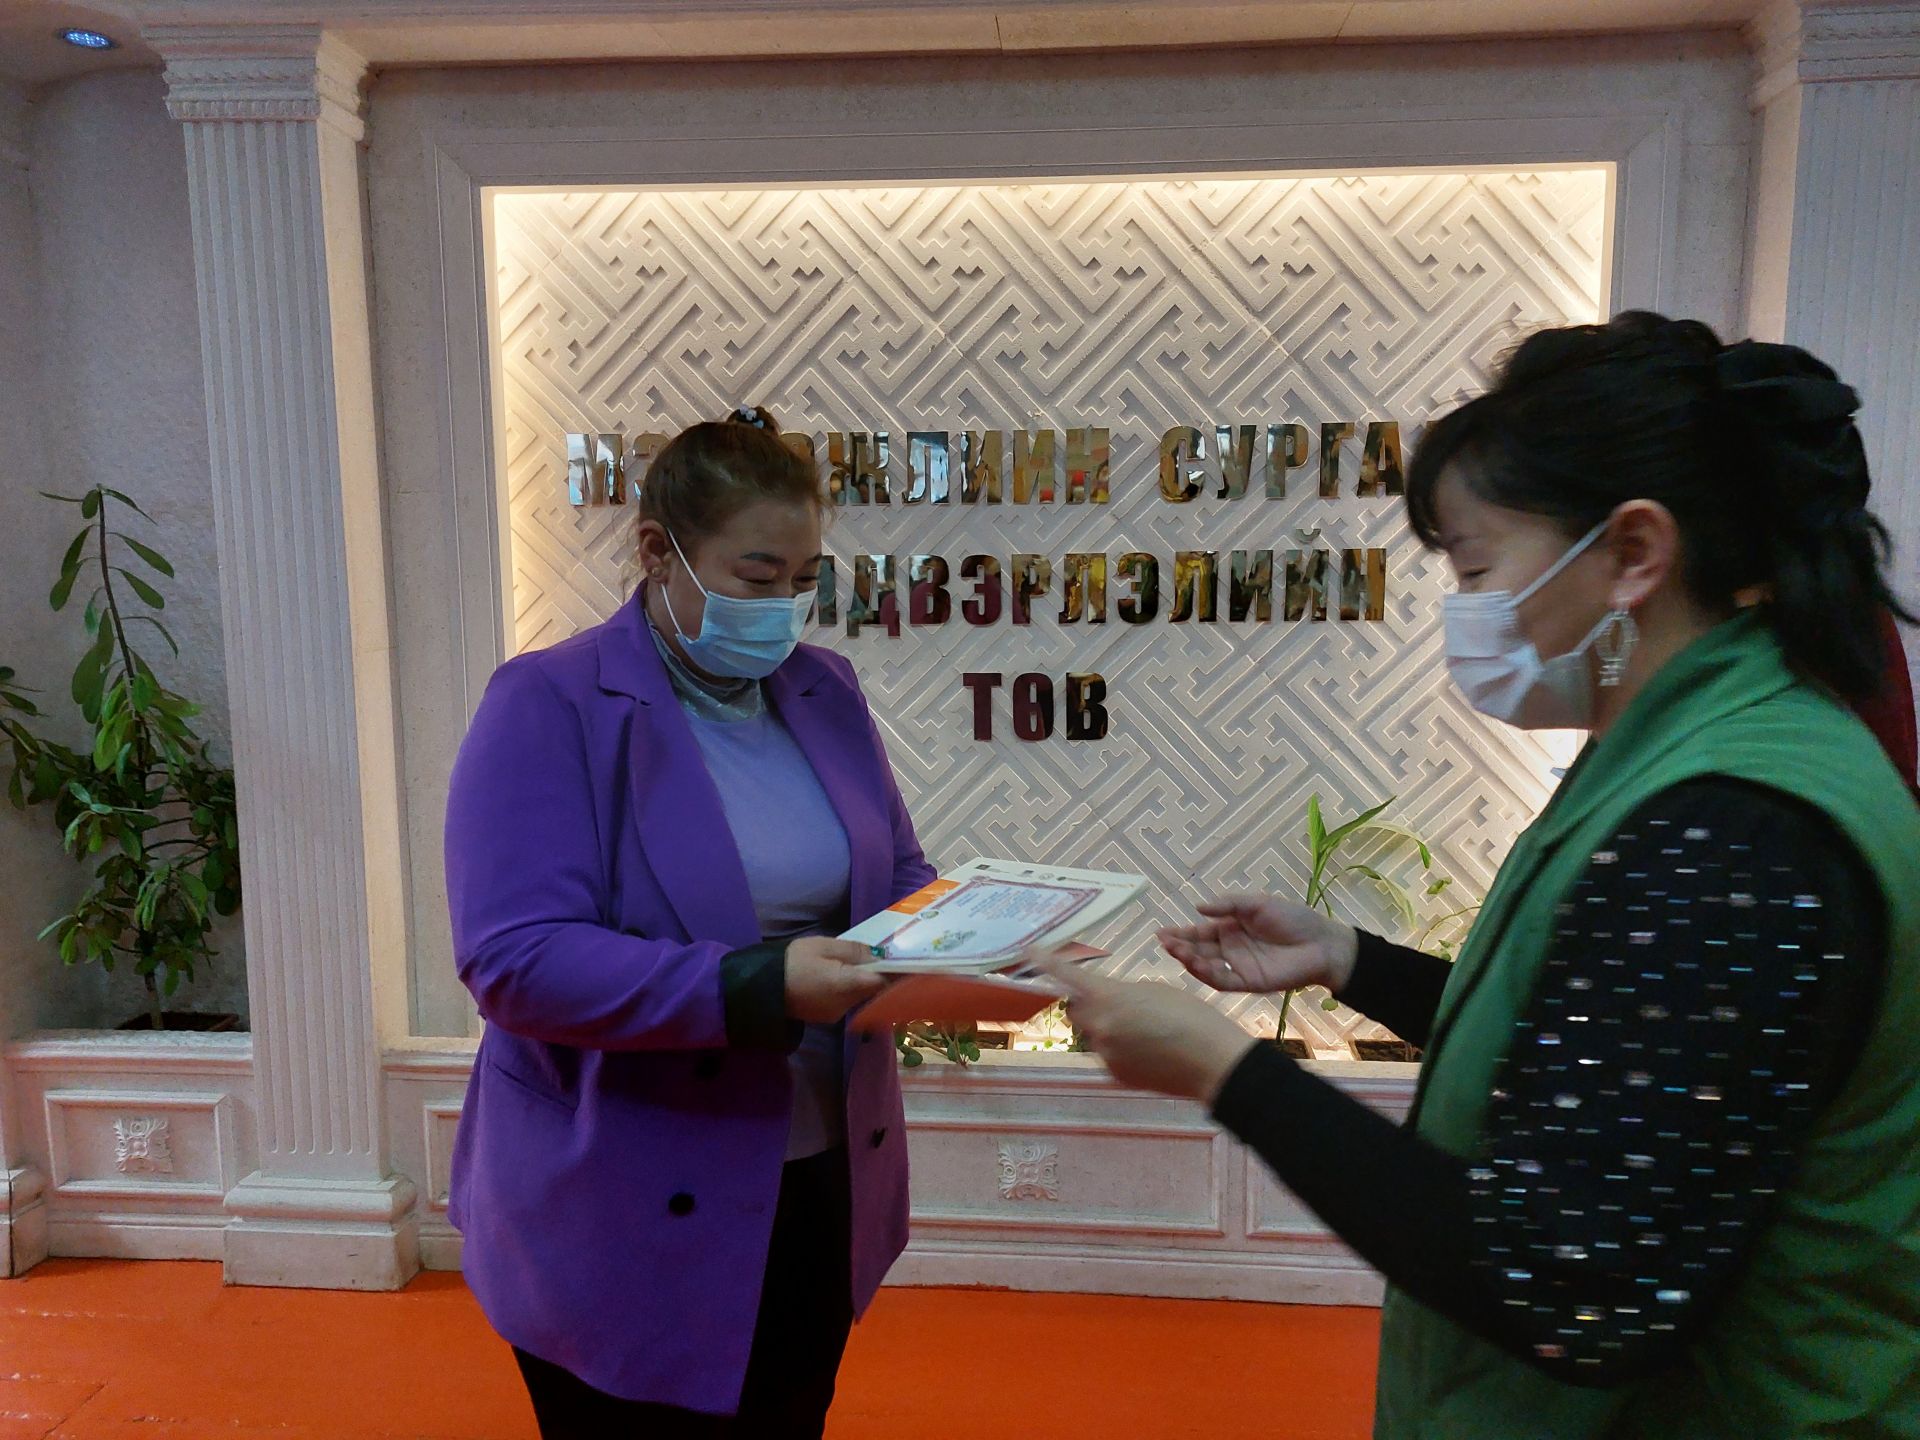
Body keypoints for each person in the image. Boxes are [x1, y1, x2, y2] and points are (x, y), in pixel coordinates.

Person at [1043, 314, 1920, 1439]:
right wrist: (1354, 962)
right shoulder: (1689, 749)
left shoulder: (1735, 823)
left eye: (1476, 567)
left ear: (1635, 553)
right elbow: (1606, 1046)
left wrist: (1227, 1072)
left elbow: (1572, 1286)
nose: (1465, 611)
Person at [443, 406, 933, 1436]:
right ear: (658, 552)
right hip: (620, 1192)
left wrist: (976, 941)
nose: (784, 608)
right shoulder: (552, 702)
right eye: (756, 577)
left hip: (816, 1174)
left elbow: (895, 874)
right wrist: (757, 985)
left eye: (804, 580)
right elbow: (516, 959)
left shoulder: (824, 689)